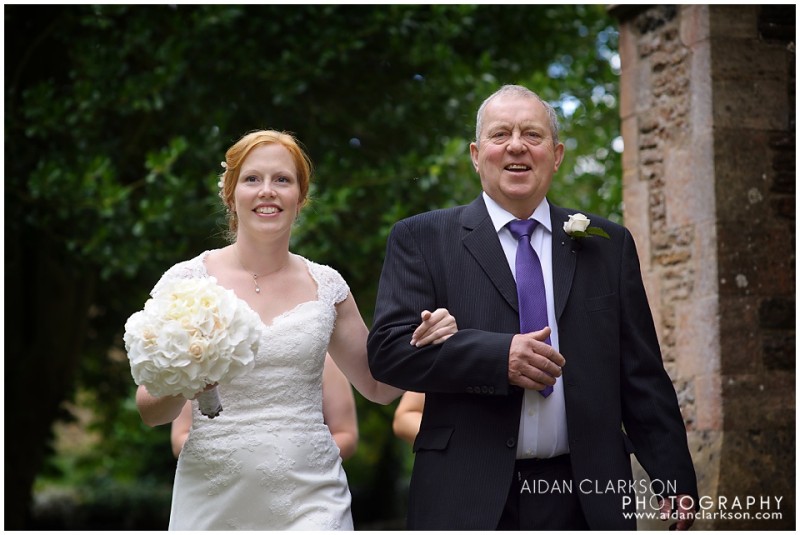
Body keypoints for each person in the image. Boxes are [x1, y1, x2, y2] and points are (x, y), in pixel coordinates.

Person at [367, 85, 698, 530]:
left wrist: (673, 475)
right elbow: (388, 352)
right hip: (465, 496)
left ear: (556, 154)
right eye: (500, 134)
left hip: (587, 496)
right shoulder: (422, 239)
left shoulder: (608, 244)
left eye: (532, 135)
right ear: (476, 153)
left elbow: (640, 371)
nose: (517, 146)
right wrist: (496, 357)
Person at [134, 129, 458, 530]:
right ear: (230, 194)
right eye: (252, 179)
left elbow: (379, 386)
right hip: (213, 495)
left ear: (300, 197)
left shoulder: (327, 286)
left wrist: (424, 343)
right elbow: (150, 411)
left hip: (312, 494)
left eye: (282, 180)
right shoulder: (186, 283)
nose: (267, 191)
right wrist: (186, 385)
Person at [170, 354, 359, 460]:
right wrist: (225, 456)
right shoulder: (202, 357)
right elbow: (180, 437)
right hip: (218, 485)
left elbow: (346, 433)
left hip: (303, 489)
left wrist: (303, 458)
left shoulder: (319, 356)